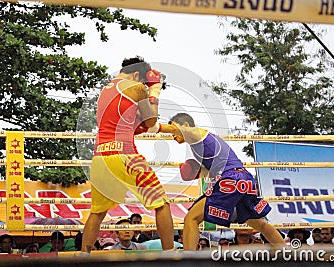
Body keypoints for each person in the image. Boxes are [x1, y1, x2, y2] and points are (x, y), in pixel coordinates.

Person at [81, 56, 174, 252]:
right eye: (143, 82)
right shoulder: (136, 88)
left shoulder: (106, 90)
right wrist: (154, 90)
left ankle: (84, 255)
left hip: (100, 157)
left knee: (97, 212)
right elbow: (150, 121)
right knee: (162, 204)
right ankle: (169, 255)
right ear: (136, 74)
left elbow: (131, 121)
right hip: (124, 156)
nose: (143, 86)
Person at [158, 113, 286, 250]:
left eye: (173, 129)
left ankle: (189, 260)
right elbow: (215, 171)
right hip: (245, 179)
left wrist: (154, 126)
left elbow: (224, 172)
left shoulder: (197, 134)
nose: (172, 134)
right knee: (260, 224)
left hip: (230, 179)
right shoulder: (202, 145)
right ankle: (287, 253)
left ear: (185, 125)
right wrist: (198, 173)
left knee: (191, 218)